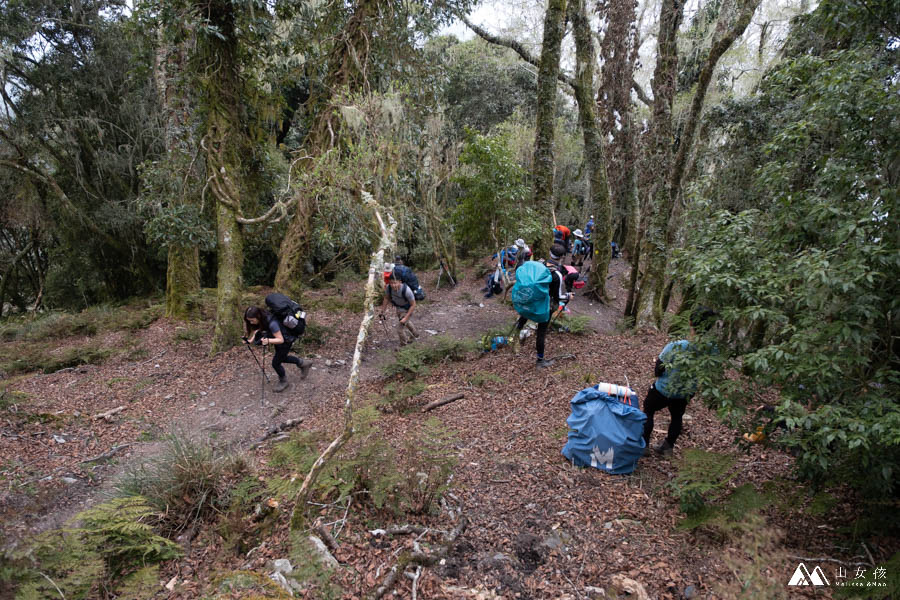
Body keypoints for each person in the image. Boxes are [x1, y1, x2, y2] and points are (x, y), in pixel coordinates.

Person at [642, 307, 718, 456]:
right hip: (685, 392)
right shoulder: (713, 350)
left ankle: (644, 445)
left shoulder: (676, 346)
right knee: (677, 416)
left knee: (648, 410)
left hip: (663, 389)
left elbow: (659, 369)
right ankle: (668, 446)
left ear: (690, 323)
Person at [511, 244, 572, 368]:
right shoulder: (557, 275)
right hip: (544, 307)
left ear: (549, 253)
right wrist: (569, 296)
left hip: (530, 301)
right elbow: (559, 297)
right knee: (541, 332)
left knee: (524, 316)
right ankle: (540, 360)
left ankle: (514, 337)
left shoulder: (539, 265)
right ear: (562, 257)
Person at [243, 306, 312, 392]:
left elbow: (280, 340)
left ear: (258, 316)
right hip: (280, 339)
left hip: (285, 341)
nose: (251, 322)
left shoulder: (272, 324)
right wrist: (250, 340)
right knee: (282, 357)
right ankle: (303, 363)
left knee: (276, 363)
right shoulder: (264, 317)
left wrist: (268, 340)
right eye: (249, 320)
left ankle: (284, 381)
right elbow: (259, 329)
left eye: (252, 320)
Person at [380, 271, 419, 345]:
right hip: (399, 309)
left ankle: (403, 345)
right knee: (406, 323)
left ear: (400, 282)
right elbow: (386, 298)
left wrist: (406, 317)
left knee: (400, 329)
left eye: (395, 283)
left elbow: (413, 305)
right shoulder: (389, 288)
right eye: (391, 283)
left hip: (407, 309)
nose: (393, 285)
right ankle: (415, 334)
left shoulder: (407, 290)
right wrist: (382, 312)